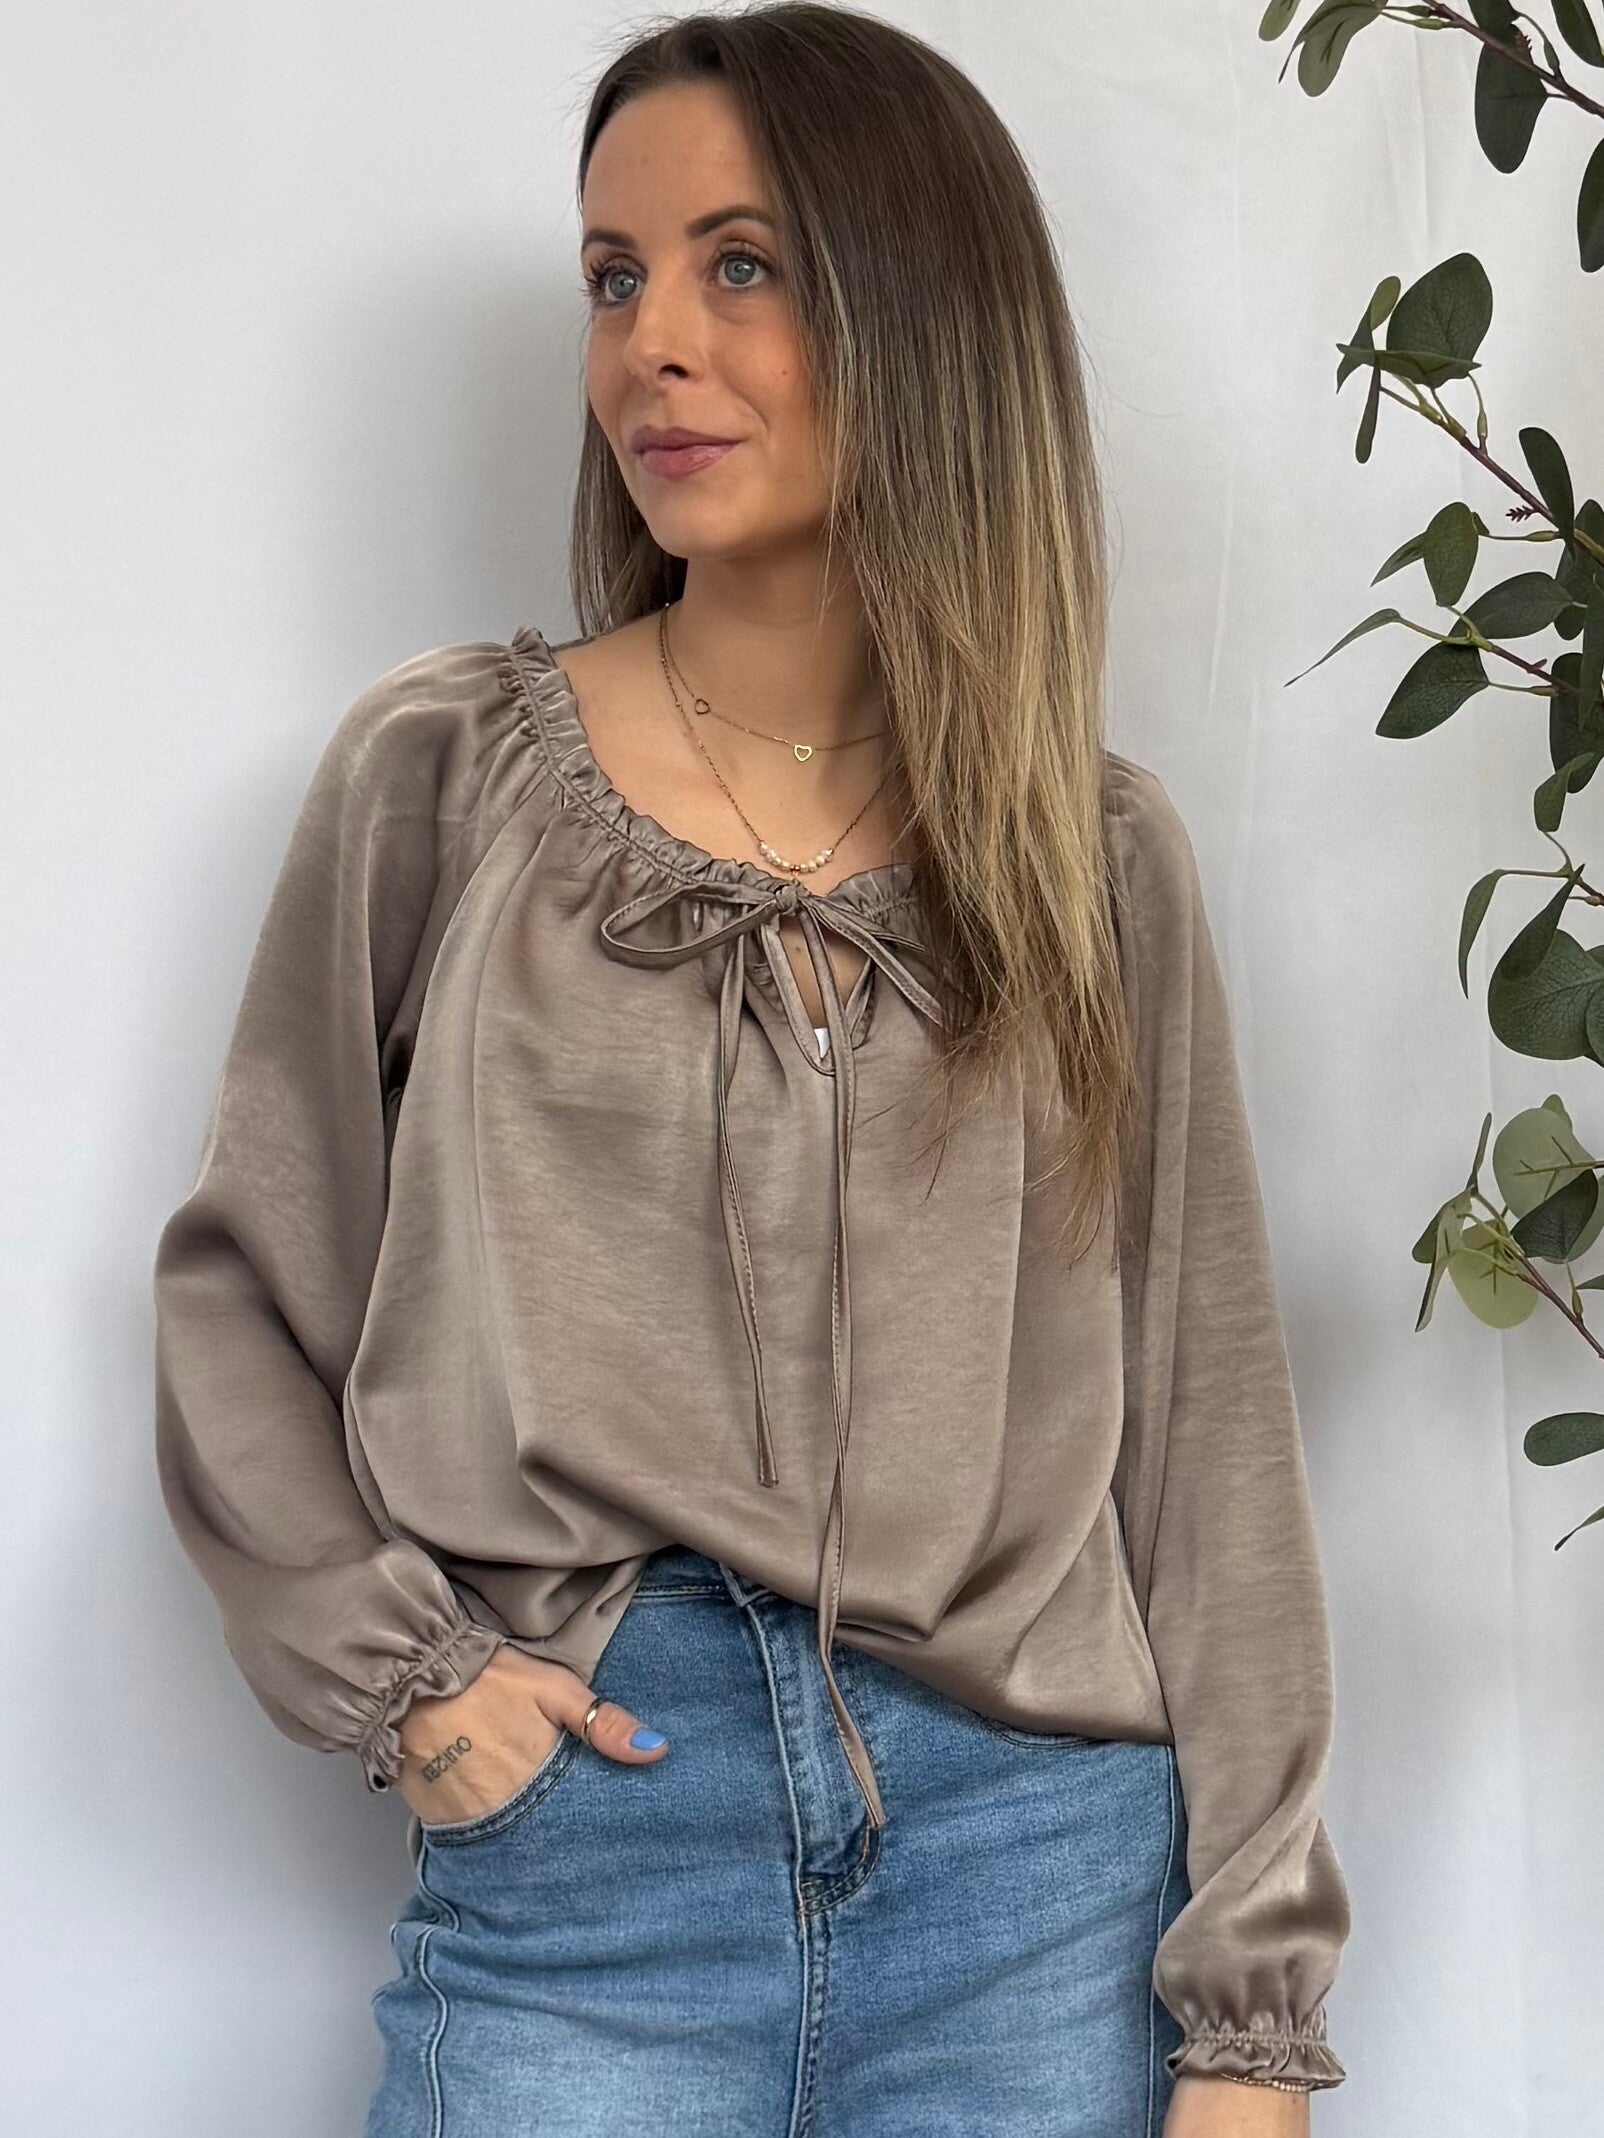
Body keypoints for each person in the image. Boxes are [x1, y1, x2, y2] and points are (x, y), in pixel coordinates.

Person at [150, 7, 1352, 2132]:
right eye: (613, 276)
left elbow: (1209, 1444)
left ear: (922, 310)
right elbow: (249, 1288)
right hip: (590, 1857)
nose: (653, 346)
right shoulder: (445, 776)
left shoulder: (1091, 863)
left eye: (743, 264)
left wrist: (1248, 2028)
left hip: (1035, 1886)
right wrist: (416, 1686)